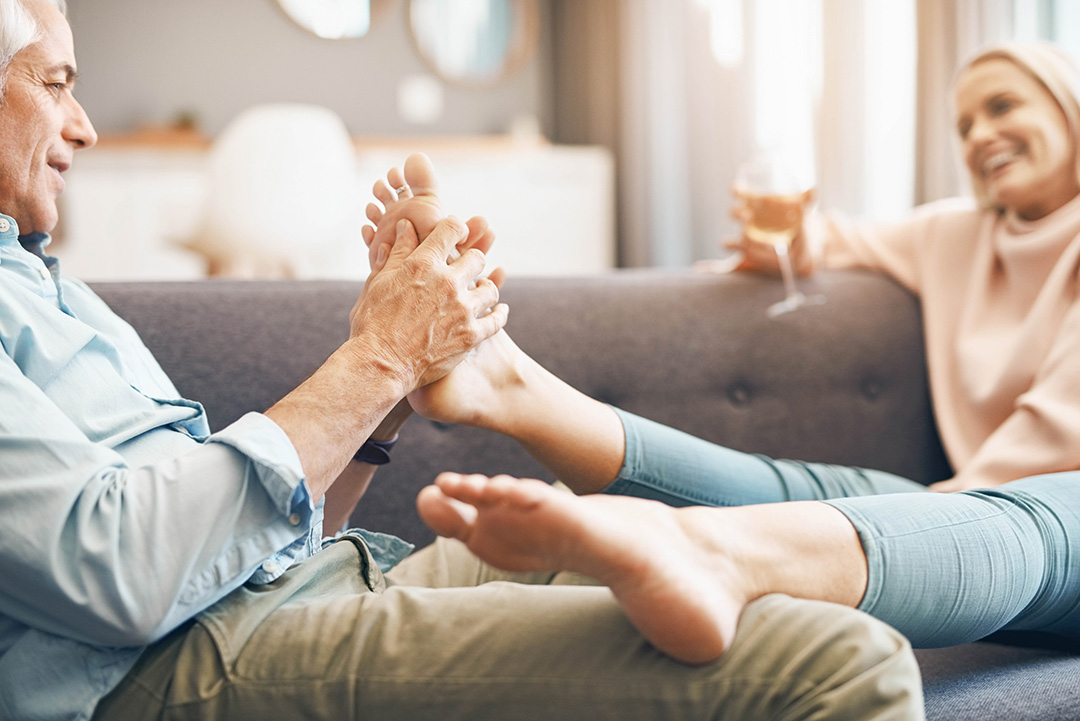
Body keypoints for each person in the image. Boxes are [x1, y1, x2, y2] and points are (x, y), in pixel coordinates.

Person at [0, 1, 926, 720]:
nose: (83, 125)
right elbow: (115, 572)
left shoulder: (46, 286)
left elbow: (231, 545)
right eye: (55, 83)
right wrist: (381, 354)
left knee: (772, 573)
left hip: (284, 591)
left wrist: (384, 399)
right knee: (841, 663)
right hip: (169, 664)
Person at [385, 39, 1080, 655]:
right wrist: (789, 240)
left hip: (1040, 530)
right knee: (811, 492)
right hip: (976, 513)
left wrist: (946, 508)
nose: (980, 133)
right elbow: (831, 239)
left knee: (1029, 521)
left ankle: (710, 556)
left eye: (1002, 106)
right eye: (965, 123)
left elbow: (1058, 430)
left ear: (1068, 108)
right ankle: (512, 388)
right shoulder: (957, 235)